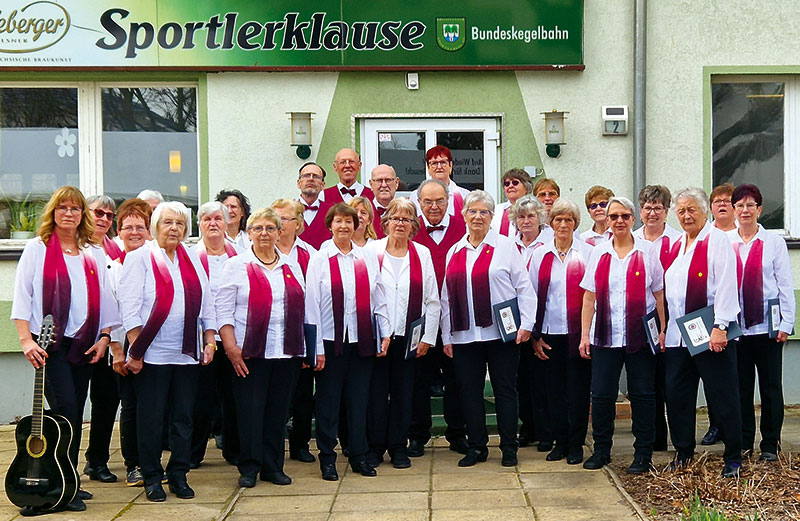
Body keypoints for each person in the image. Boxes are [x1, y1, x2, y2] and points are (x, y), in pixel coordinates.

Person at [12, 186, 120, 514]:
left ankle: (68, 479)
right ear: (53, 213)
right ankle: (57, 484)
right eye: (63, 208)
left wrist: (104, 337)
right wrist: (26, 340)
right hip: (51, 345)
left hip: (84, 345)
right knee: (65, 414)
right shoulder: (38, 248)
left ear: (82, 214)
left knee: (73, 418)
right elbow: (23, 296)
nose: (69, 214)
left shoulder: (92, 252)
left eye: (75, 208)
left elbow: (104, 299)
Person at [117, 201, 217, 501]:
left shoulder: (192, 258)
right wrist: (136, 351)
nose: (174, 228)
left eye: (180, 224)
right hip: (153, 354)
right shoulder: (139, 259)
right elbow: (130, 308)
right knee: (152, 416)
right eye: (168, 223)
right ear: (154, 227)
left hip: (186, 352)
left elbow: (207, 302)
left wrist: (210, 340)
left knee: (183, 417)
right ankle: (151, 476)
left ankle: (178, 474)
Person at [216, 207, 316, 488]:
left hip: (285, 351)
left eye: (270, 228)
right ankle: (249, 467)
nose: (264, 233)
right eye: (258, 228)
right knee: (249, 411)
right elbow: (223, 311)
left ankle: (273, 467)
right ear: (249, 233)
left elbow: (305, 309)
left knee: (277, 412)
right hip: (249, 353)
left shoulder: (290, 265)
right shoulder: (236, 266)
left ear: (278, 232)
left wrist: (308, 348)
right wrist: (231, 347)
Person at [441, 191, 536, 467]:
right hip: (464, 335)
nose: (478, 217)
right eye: (473, 211)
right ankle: (477, 447)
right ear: (464, 215)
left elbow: (524, 289)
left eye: (484, 212)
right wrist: (446, 335)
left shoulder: (506, 247)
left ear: (492, 217)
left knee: (505, 391)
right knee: (469, 393)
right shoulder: (455, 251)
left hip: (501, 334)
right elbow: (446, 297)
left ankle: (509, 447)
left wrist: (526, 324)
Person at [579, 197, 666, 474]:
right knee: (602, 396)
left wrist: (663, 330)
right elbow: (589, 297)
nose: (619, 221)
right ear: (607, 220)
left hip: (639, 335)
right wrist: (584, 335)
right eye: (613, 216)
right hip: (605, 336)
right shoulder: (599, 253)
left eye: (625, 216)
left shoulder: (648, 250)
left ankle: (643, 454)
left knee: (643, 395)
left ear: (633, 219)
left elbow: (659, 294)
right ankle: (602, 450)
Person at [305, 203, 391, 481]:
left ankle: (358, 456)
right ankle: (327, 458)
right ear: (330, 226)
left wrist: (386, 332)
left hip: (361, 340)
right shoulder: (320, 258)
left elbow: (379, 297)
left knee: (358, 401)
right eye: (338, 221)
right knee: (329, 404)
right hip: (331, 343)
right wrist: (316, 348)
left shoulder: (365, 257)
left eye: (348, 222)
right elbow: (312, 306)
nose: (343, 226)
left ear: (357, 226)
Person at [662, 187, 742, 478]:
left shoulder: (717, 240)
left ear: (704, 211)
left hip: (710, 334)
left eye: (691, 209)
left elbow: (726, 284)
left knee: (722, 395)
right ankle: (684, 452)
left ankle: (733, 455)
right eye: (681, 210)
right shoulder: (677, 243)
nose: (686, 215)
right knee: (677, 395)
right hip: (678, 335)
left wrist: (721, 326)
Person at [366, 198, 440, 469]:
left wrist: (427, 338)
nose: (400, 223)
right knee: (376, 393)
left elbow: (432, 300)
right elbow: (367, 296)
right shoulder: (371, 251)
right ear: (385, 224)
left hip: (410, 337)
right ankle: (375, 446)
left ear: (413, 226)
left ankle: (398, 446)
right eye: (395, 218)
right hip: (379, 337)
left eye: (406, 219)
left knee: (403, 392)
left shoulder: (422, 254)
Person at [729, 184, 794, 462]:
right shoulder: (725, 241)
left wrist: (786, 323)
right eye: (740, 205)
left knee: (770, 388)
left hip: (767, 328)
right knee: (741, 388)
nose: (745, 210)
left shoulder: (773, 243)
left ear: (760, 209)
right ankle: (744, 441)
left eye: (750, 205)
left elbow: (784, 284)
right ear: (733, 210)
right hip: (737, 329)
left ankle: (770, 443)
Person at [529, 199, 593, 464]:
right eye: (558, 219)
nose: (563, 224)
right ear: (551, 223)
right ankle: (560, 442)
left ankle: (576, 444)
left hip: (578, 334)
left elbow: (593, 296)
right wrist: (535, 336)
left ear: (576, 224)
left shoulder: (588, 253)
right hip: (549, 332)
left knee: (577, 392)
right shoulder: (540, 254)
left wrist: (588, 334)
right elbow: (529, 295)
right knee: (553, 392)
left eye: (568, 220)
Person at [409, 179, 468, 457]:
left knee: (456, 378)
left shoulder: (463, 227)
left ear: (449, 201)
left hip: (456, 315)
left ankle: (457, 432)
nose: (434, 206)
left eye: (439, 201)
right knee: (418, 379)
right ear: (419, 202)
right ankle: (418, 435)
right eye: (428, 201)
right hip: (419, 317)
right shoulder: (409, 229)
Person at [189, 202, 239, 469]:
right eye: (207, 219)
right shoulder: (190, 256)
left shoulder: (239, 255)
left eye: (218, 218)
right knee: (201, 399)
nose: (213, 224)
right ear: (200, 224)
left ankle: (233, 450)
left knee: (233, 398)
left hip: (233, 338)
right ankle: (193, 453)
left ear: (227, 222)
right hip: (202, 339)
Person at [108, 198, 153, 487]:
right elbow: (110, 311)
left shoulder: (158, 262)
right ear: (119, 231)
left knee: (157, 405)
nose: (134, 231)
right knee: (132, 405)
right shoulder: (113, 268)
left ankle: (155, 459)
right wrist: (117, 349)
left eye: (140, 226)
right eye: (128, 227)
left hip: (158, 342)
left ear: (149, 230)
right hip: (125, 343)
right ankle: (133, 464)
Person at [633, 184, 681, 451]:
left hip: (671, 316)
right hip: (640, 319)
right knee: (646, 382)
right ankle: (654, 439)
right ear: (640, 211)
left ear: (666, 211)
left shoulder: (677, 240)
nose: (652, 213)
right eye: (648, 208)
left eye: (658, 208)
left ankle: (677, 437)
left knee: (669, 381)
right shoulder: (630, 240)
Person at [271, 198, 318, 463]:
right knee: (277, 395)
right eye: (275, 219)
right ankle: (274, 447)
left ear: (298, 225)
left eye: (285, 219)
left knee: (302, 392)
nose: (278, 225)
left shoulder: (309, 254)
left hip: (301, 332)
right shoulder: (262, 251)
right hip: (272, 333)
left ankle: (300, 444)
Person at [82, 195, 122, 485]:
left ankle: (98, 460)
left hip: (108, 338)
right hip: (78, 337)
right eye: (99, 213)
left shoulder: (115, 249)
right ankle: (63, 465)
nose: (104, 219)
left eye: (109, 215)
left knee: (106, 402)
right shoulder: (75, 246)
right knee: (69, 405)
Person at [508, 195, 548, 448]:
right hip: (515, 319)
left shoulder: (549, 243)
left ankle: (546, 429)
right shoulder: (509, 245)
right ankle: (528, 426)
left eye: (531, 216)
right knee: (520, 378)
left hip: (544, 317)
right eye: (521, 217)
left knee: (541, 379)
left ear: (540, 219)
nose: (526, 221)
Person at [409, 145, 471, 222]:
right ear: (428, 167)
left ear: (450, 165)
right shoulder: (415, 196)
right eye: (434, 163)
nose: (439, 167)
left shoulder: (465, 196)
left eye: (443, 162)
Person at [297, 162, 334, 249]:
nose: (311, 179)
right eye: (306, 175)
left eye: (316, 176)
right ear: (299, 183)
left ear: (323, 185)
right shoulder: (287, 211)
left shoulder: (332, 212)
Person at [491, 168, 533, 237]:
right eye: (507, 184)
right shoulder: (495, 210)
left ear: (526, 187)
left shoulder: (535, 209)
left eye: (515, 183)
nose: (510, 186)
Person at [368, 164, 400, 238]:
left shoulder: (405, 213)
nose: (384, 185)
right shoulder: (363, 213)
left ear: (396, 183)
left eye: (388, 180)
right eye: (379, 180)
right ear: (371, 184)